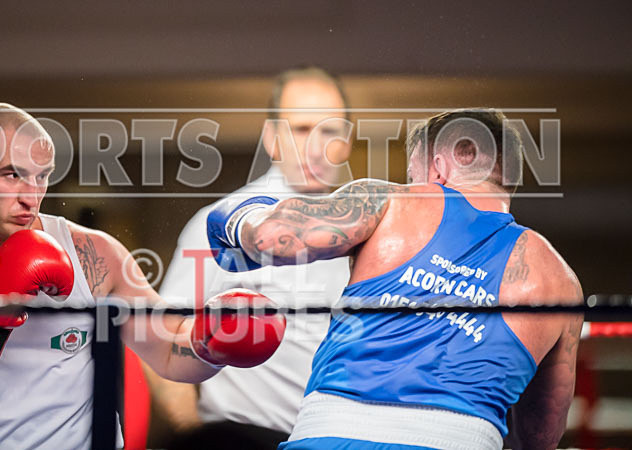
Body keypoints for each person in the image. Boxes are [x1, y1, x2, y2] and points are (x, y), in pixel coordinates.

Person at [0, 103, 283, 449]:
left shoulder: (92, 253)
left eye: (41, 175)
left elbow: (167, 351)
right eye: (12, 174)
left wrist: (215, 341)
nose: (30, 195)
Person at [206, 109, 584, 449]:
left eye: (413, 173)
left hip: (334, 436)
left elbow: (271, 237)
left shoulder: (393, 202)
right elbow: (538, 437)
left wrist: (234, 216)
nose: (412, 183)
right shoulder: (561, 282)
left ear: (438, 167)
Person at [151, 66, 353, 449]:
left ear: (347, 140)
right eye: (301, 129)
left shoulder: (363, 233)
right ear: (272, 138)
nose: (317, 146)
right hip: (242, 436)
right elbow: (162, 339)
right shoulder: (223, 223)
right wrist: (196, 435)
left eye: (330, 130)